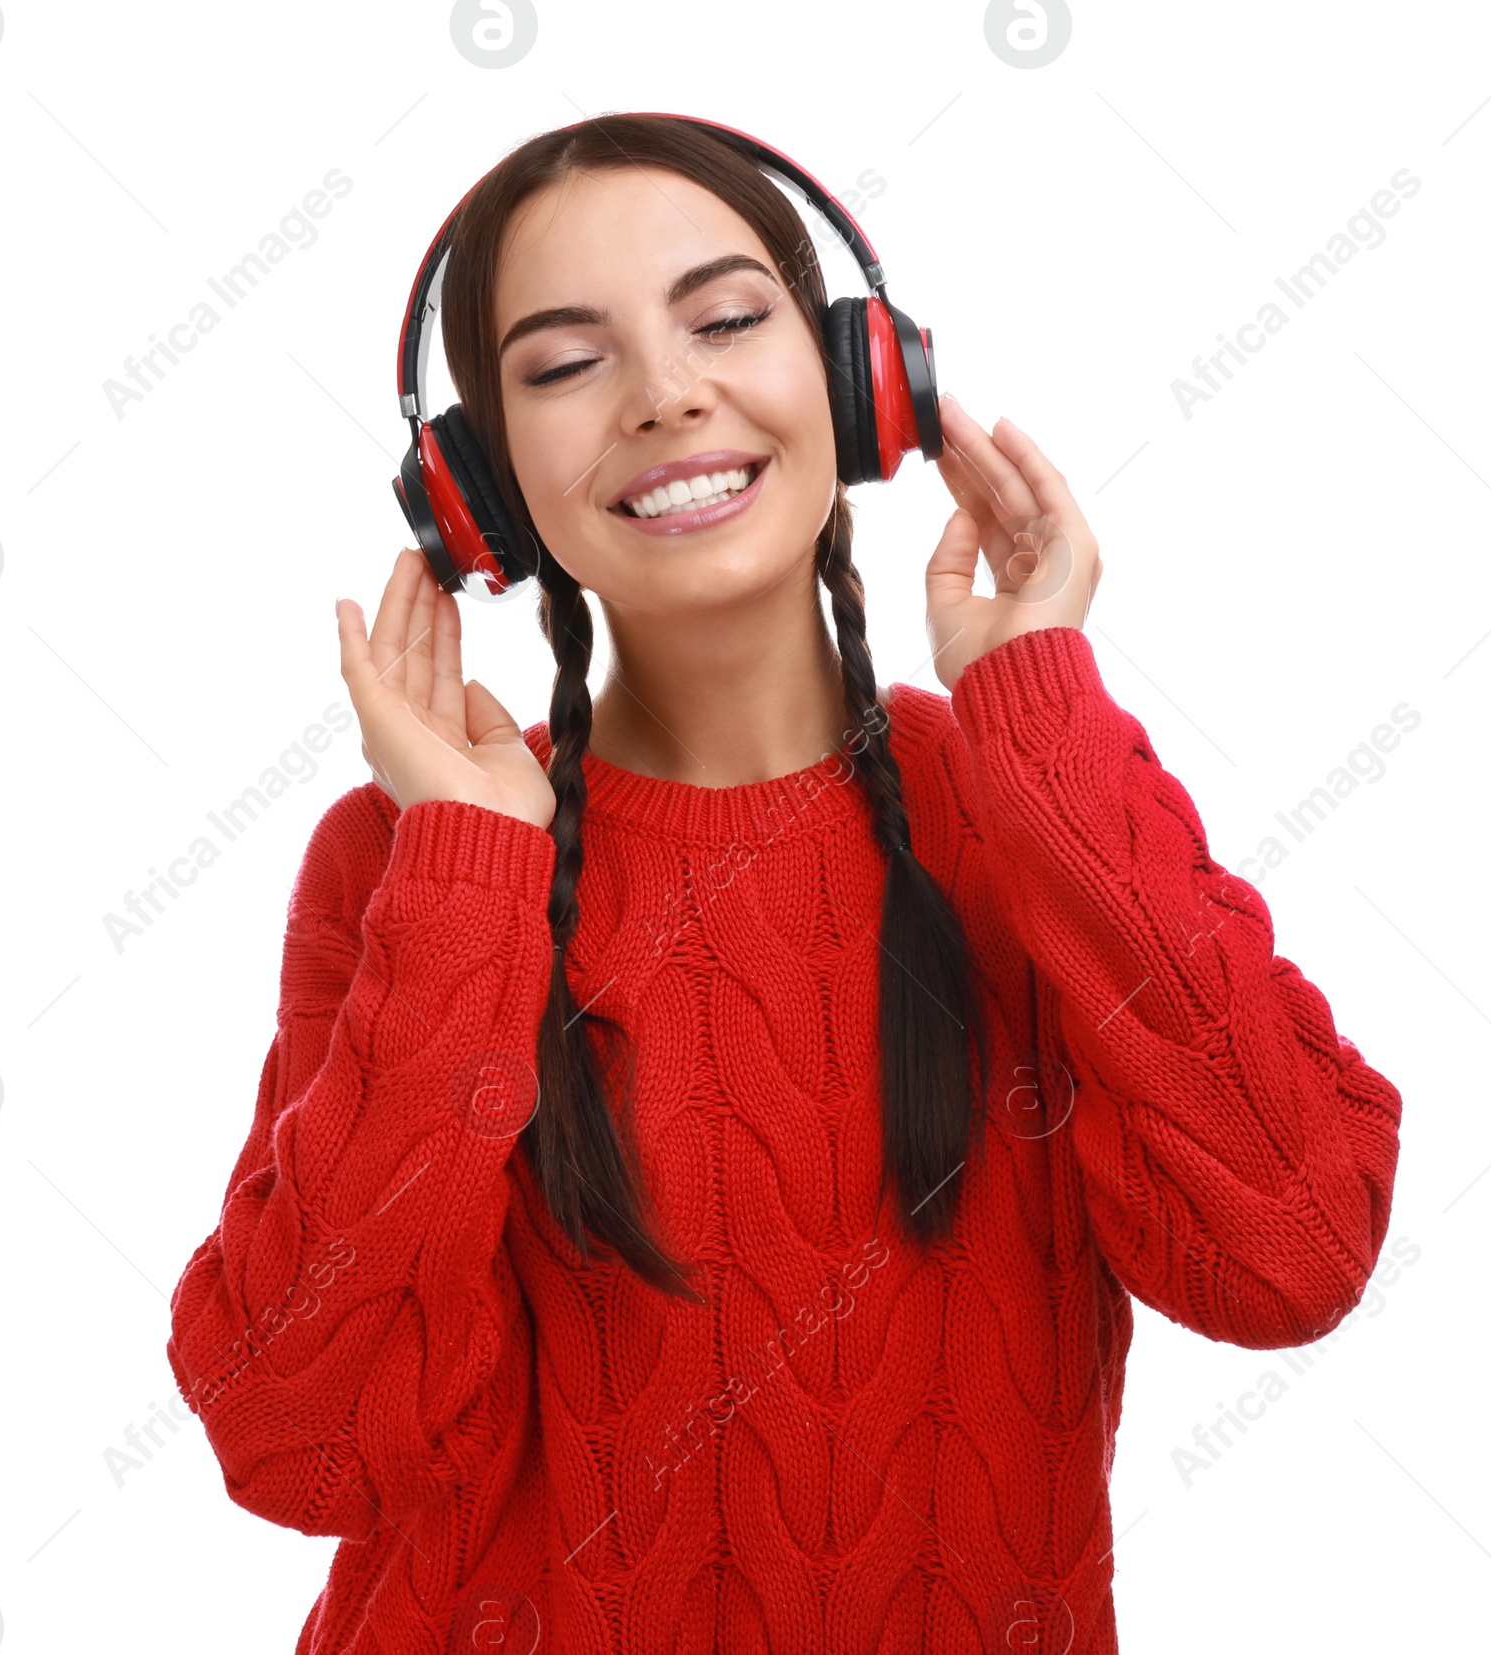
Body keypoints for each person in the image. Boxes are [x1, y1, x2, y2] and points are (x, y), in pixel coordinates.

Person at [166, 113, 1403, 1655]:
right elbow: (301, 1441)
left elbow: (1292, 1254)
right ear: (477, 486)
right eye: (564, 366)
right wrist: (468, 883)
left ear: (857, 380)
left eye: (728, 319)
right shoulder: (417, 860)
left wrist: (1046, 716)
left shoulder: (1027, 797)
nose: (668, 393)